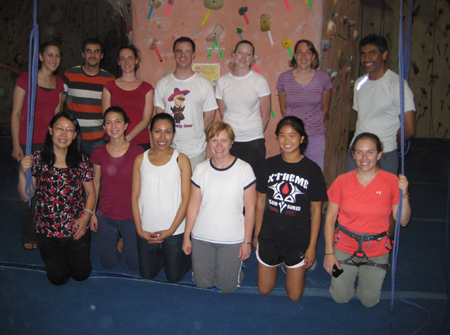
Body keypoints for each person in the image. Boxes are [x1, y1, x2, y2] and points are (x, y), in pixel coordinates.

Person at [324, 132, 411, 307]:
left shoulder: (391, 181)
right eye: (359, 152)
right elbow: (330, 219)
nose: (364, 158)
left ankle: (365, 272)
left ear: (379, 155)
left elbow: (403, 221)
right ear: (353, 155)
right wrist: (329, 253)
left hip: (377, 250)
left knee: (369, 301)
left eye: (370, 152)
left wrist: (405, 195)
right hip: (343, 247)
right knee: (339, 297)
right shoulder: (342, 181)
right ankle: (348, 273)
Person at [253, 116, 327, 301]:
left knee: (294, 296)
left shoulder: (312, 170)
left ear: (302, 138)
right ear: (277, 138)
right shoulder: (268, 165)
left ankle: (290, 263)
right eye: (282, 135)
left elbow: (316, 211)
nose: (287, 140)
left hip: (297, 238)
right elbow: (260, 202)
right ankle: (276, 262)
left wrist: (312, 247)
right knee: (264, 290)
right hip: (270, 236)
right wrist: (256, 234)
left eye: (292, 135)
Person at [18, 112, 95, 285]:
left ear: (75, 135)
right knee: (57, 279)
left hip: (76, 227)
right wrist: (23, 173)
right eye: (59, 128)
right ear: (50, 130)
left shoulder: (81, 160)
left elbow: (90, 192)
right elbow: (26, 196)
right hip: (48, 229)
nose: (63, 134)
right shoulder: (37, 159)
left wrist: (86, 217)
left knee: (82, 274)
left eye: (69, 130)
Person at [182, 121, 256, 293]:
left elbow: (251, 209)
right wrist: (187, 236)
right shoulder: (201, 169)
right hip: (202, 237)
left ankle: (231, 269)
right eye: (214, 141)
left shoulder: (244, 170)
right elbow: (193, 205)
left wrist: (247, 241)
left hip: (232, 239)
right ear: (208, 144)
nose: (219, 145)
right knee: (202, 284)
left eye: (224, 140)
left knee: (227, 287)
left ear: (231, 143)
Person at [11, 41, 64, 250]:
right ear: (41, 57)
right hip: (29, 142)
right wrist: (17, 145)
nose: (54, 59)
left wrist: (60, 144)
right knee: (29, 190)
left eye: (57, 56)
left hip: (49, 144)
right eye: (50, 55)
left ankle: (48, 229)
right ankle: (29, 233)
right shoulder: (26, 79)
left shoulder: (59, 83)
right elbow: (15, 113)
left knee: (50, 190)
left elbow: (57, 116)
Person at [132, 113, 192, 282]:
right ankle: (167, 254)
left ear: (173, 134)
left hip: (174, 229)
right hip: (147, 228)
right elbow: (135, 197)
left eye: (168, 132)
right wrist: (139, 229)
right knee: (147, 275)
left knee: (173, 277)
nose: (162, 137)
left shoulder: (181, 160)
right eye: (158, 131)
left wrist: (171, 231)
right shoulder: (140, 159)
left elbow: (186, 199)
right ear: (150, 132)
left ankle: (185, 255)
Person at [345, 34, 416, 175]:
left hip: (384, 154)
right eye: (363, 54)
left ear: (384, 55)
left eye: (372, 53)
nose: (366, 59)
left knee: (382, 196)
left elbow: (408, 128)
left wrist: (389, 143)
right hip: (357, 151)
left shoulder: (397, 85)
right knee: (352, 194)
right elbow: (361, 117)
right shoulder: (359, 83)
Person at [90, 106, 144, 271]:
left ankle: (123, 241)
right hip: (106, 215)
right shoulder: (99, 152)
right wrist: (93, 213)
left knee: (134, 265)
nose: (114, 127)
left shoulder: (138, 152)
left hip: (130, 216)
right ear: (104, 127)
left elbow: (144, 186)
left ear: (126, 125)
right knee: (108, 264)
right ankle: (120, 244)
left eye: (118, 121)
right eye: (109, 123)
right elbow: (96, 184)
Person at [154, 36, 218, 172]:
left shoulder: (204, 84)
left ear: (193, 55)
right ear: (173, 54)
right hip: (168, 149)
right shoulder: (163, 84)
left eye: (188, 51)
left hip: (195, 151)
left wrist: (195, 132)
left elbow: (209, 116)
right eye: (179, 51)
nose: (183, 55)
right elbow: (159, 117)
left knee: (194, 191)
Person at [215, 40, 271, 176]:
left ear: (252, 58)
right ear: (233, 54)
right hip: (229, 142)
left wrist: (252, 132)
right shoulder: (222, 82)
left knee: (252, 183)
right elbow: (223, 113)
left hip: (253, 142)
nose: (243, 57)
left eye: (248, 54)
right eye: (240, 52)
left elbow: (266, 115)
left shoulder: (259, 81)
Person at [276, 40, 332, 171]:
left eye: (308, 53)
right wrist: (294, 130)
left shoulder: (324, 79)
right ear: (295, 55)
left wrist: (310, 127)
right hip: (290, 136)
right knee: (288, 173)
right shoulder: (284, 78)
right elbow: (283, 110)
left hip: (315, 135)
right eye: (300, 53)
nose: (303, 57)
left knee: (314, 174)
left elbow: (324, 110)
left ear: (313, 56)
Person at [62, 37, 114, 156]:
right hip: (73, 138)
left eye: (96, 51)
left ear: (102, 55)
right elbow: (60, 105)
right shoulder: (70, 75)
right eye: (89, 51)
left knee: (97, 174)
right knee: (73, 173)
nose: (92, 55)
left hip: (98, 139)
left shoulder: (109, 79)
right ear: (83, 54)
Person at [102, 45, 154, 150]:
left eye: (130, 58)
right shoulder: (109, 87)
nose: (127, 62)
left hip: (140, 142)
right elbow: (107, 116)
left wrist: (127, 138)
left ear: (136, 60)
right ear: (118, 62)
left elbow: (146, 119)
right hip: (114, 141)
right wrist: (119, 139)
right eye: (123, 59)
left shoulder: (147, 88)